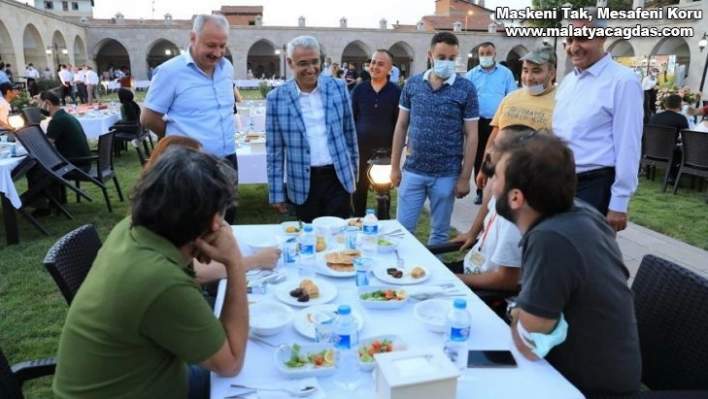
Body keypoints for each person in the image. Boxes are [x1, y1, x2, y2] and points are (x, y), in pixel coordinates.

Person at [53, 146, 249, 399]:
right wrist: (235, 263)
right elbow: (231, 363)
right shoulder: (161, 281)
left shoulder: (131, 229)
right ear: (214, 221)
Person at [494, 133, 641, 397]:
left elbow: (529, 345)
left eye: (496, 177)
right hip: (588, 373)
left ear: (515, 197)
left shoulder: (550, 239)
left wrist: (516, 312)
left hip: (583, 388)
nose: (492, 184)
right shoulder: (580, 212)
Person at [143, 135, 281, 283]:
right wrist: (255, 260)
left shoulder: (163, 203)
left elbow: (221, 231)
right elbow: (197, 273)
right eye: (199, 162)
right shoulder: (168, 216)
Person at [141, 14, 239, 223]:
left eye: (222, 46)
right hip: (191, 165)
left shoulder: (227, 68)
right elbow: (149, 118)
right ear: (193, 38)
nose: (218, 53)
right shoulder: (170, 72)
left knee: (225, 222)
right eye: (211, 45)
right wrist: (179, 140)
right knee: (193, 227)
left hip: (227, 159)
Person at [552, 7, 643, 232]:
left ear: (602, 37)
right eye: (570, 39)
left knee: (585, 257)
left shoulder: (623, 81)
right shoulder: (569, 81)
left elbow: (628, 145)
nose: (574, 47)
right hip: (560, 180)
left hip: (595, 186)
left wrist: (619, 202)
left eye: (583, 37)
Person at [390, 31, 479, 246]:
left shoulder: (466, 88)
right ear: (430, 55)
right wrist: (394, 166)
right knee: (401, 231)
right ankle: (401, 275)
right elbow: (401, 126)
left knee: (439, 234)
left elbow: (472, 135)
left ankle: (433, 276)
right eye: (441, 57)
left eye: (451, 58)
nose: (446, 63)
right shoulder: (412, 84)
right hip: (413, 170)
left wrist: (465, 177)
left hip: (446, 174)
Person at [468, 47, 558, 241]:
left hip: (533, 184)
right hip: (500, 175)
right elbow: (495, 135)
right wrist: (485, 167)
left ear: (552, 72)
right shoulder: (511, 98)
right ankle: (475, 235)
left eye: (536, 71)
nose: (529, 77)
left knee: (518, 239)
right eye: (525, 70)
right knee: (492, 226)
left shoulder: (562, 101)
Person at [265, 35, 359, 223]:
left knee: (338, 236)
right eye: (303, 63)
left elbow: (350, 134)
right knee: (308, 240)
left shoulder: (338, 88)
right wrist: (276, 191)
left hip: (337, 178)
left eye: (315, 62)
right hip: (302, 182)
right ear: (290, 63)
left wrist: (353, 174)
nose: (311, 69)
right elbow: (274, 150)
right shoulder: (276, 98)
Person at [449, 126, 534, 299]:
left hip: (489, 296)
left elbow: (507, 281)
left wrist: (459, 279)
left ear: (510, 159)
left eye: (495, 146)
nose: (488, 150)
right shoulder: (503, 193)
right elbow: (488, 203)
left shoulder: (514, 218)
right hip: (471, 270)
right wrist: (473, 233)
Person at [465, 41, 517, 205]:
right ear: (478, 55)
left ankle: (497, 188)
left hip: (499, 123)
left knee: (499, 155)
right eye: (482, 53)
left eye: (489, 53)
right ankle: (480, 190)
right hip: (477, 122)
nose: (485, 56)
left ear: (494, 54)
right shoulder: (472, 74)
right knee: (479, 156)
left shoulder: (505, 73)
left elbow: (512, 96)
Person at [350, 50, 401, 216]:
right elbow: (351, 118)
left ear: (389, 69)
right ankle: (358, 223)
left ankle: (383, 221)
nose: (374, 66)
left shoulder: (396, 92)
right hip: (360, 150)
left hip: (385, 153)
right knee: (359, 191)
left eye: (380, 64)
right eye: (372, 62)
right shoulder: (359, 90)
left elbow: (399, 123)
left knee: (384, 193)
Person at [29, 91, 92, 216]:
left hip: (75, 165)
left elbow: (46, 146)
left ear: (47, 103)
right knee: (44, 166)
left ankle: (44, 207)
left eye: (40, 104)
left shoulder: (57, 120)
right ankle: (56, 201)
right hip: (82, 161)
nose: (39, 108)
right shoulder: (66, 116)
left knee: (34, 169)